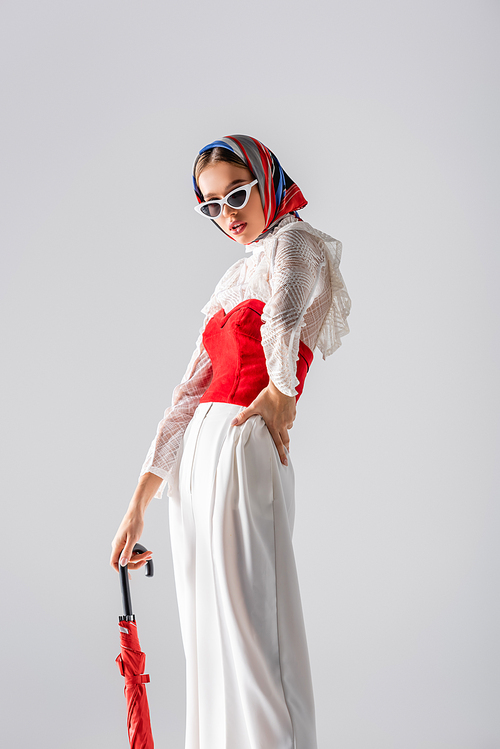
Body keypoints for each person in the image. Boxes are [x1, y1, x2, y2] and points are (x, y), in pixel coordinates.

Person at [110, 134, 351, 749]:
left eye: (238, 195)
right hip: (196, 457)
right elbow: (188, 393)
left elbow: (285, 321)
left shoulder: (298, 243)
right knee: (205, 638)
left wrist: (282, 394)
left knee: (252, 634)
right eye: (211, 206)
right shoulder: (234, 274)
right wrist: (140, 500)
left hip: (243, 445)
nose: (228, 214)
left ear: (266, 182)